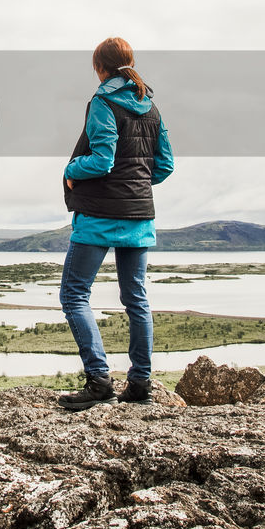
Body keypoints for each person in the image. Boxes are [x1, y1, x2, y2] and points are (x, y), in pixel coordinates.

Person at [57, 37, 174, 410]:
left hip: (98, 214)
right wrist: (136, 185)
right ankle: (140, 384)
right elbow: (165, 165)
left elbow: (102, 159)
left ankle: (99, 381)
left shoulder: (103, 102)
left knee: (74, 295)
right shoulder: (151, 107)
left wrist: (71, 170)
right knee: (136, 299)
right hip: (138, 216)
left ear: (100, 67)